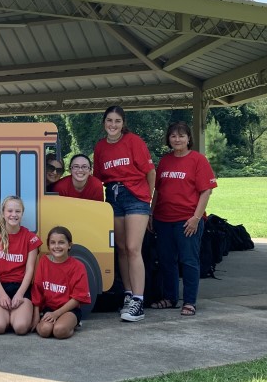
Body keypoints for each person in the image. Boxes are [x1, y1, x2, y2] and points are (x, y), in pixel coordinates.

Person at [93, 105, 155, 323]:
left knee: (132, 248)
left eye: (117, 121)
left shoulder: (133, 141)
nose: (113, 125)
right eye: (109, 120)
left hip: (135, 196)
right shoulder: (100, 147)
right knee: (120, 249)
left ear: (123, 123)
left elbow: (150, 172)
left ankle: (139, 299)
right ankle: (128, 294)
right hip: (113, 196)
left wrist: (147, 201)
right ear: (104, 123)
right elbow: (98, 177)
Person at [151, 121, 217, 317]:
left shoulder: (198, 160)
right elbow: (157, 190)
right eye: (173, 136)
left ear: (189, 138)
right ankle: (171, 298)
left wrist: (196, 218)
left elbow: (206, 191)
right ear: (168, 139)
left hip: (187, 221)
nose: (177, 139)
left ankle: (189, 302)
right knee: (166, 261)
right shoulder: (164, 161)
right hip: (163, 220)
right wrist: (151, 214)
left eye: (181, 136)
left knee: (189, 261)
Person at [0, 196, 40, 335]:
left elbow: (30, 269)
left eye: (18, 211)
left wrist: (19, 294)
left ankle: (16, 315)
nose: (14, 214)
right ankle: (6, 314)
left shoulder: (30, 237)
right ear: (3, 213)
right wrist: (1, 294)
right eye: (10, 211)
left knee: (20, 327)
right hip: (0, 287)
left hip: (21, 287)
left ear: (22, 213)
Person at [31, 226, 91, 339]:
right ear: (48, 246)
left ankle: (73, 324)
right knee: (44, 331)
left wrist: (57, 314)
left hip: (69, 310)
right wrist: (36, 317)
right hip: (49, 308)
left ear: (69, 245)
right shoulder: (44, 262)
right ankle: (49, 324)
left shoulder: (78, 266)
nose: (57, 246)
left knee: (59, 331)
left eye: (61, 242)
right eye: (53, 243)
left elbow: (78, 297)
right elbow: (37, 290)